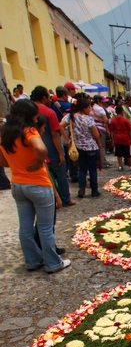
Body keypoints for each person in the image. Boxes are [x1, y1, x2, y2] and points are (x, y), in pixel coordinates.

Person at [0, 100, 70, 273]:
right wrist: (37, 162)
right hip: (37, 184)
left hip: (18, 184)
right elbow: (41, 149)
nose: (36, 118)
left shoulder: (5, 133)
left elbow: (2, 160)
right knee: (45, 227)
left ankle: (32, 261)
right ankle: (53, 263)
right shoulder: (29, 131)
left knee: (25, 227)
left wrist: (15, 165)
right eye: (34, 116)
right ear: (28, 116)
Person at [30, 85, 72, 206]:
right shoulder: (48, 112)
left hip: (30, 150)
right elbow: (55, 134)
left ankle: (47, 199)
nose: (50, 100)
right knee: (60, 173)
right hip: (49, 148)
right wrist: (60, 153)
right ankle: (65, 198)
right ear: (43, 98)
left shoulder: (25, 111)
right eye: (48, 97)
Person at [62, 94, 101, 198]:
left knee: (82, 169)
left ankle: (81, 190)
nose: (90, 109)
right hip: (91, 147)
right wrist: (99, 144)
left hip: (78, 147)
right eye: (89, 107)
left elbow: (59, 126)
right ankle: (94, 190)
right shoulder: (88, 119)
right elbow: (96, 135)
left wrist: (68, 138)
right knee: (92, 169)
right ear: (84, 108)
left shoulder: (70, 117)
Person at [110, 105, 131, 170]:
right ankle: (130, 165)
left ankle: (120, 166)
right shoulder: (125, 120)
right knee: (128, 153)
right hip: (126, 138)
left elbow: (112, 131)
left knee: (119, 153)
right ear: (122, 111)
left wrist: (112, 140)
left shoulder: (113, 120)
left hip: (117, 138)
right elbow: (130, 130)